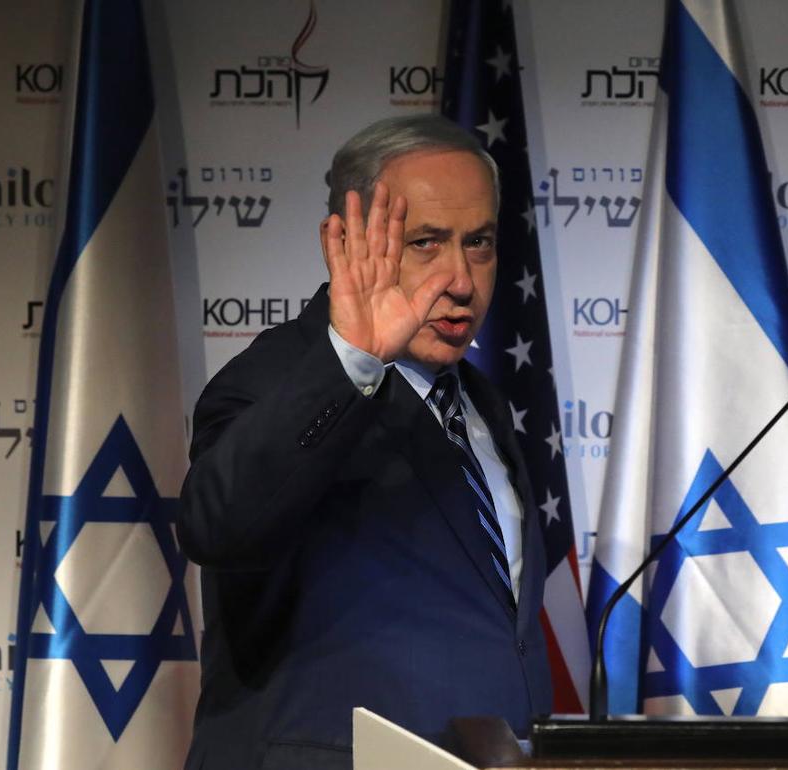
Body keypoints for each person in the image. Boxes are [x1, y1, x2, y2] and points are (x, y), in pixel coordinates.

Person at [177, 115, 552, 770]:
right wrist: (354, 361)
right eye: (426, 243)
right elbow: (216, 527)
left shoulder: (481, 402)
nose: (461, 280)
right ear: (350, 244)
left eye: (480, 243)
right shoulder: (277, 377)